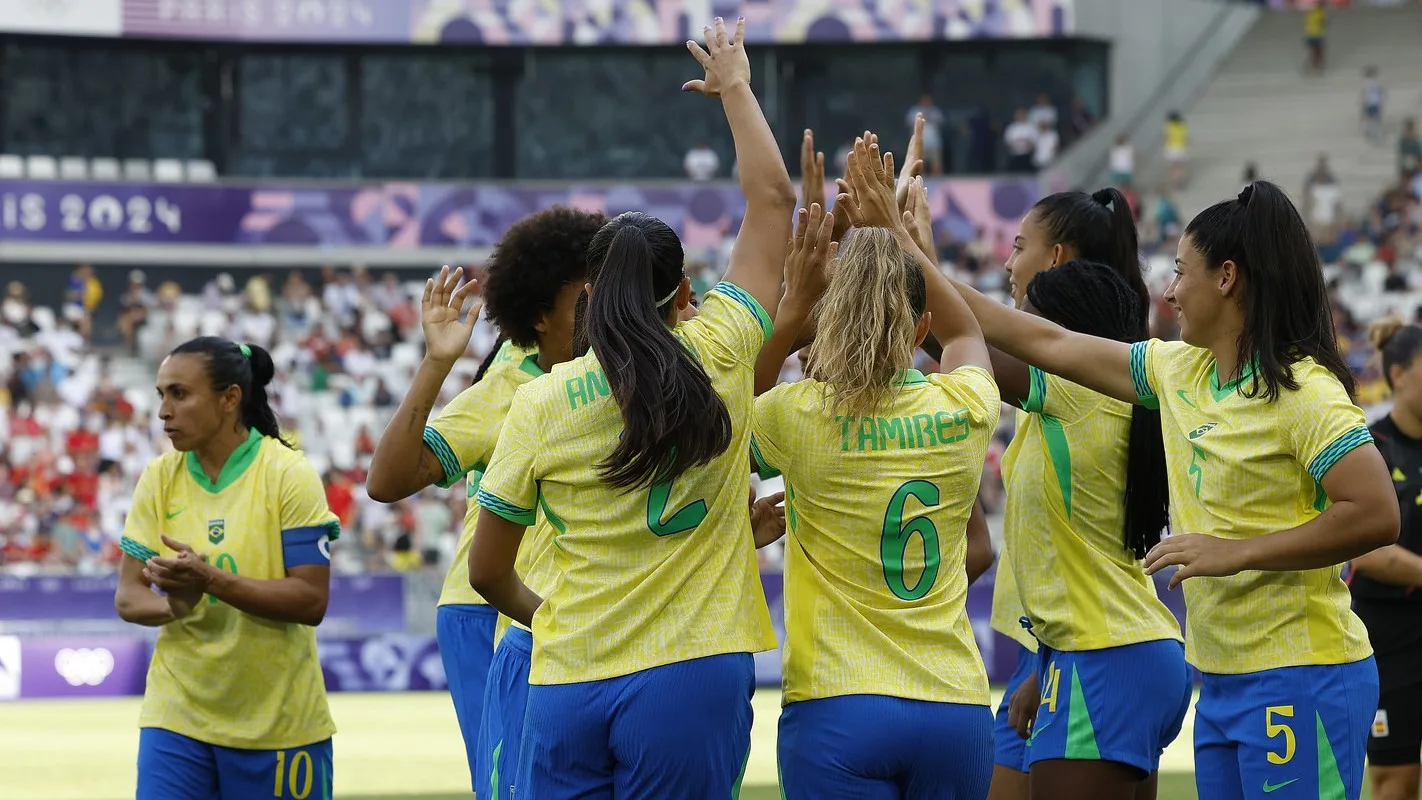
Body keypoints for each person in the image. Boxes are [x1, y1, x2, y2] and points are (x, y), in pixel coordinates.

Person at [944, 180, 1399, 800]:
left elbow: (1375, 513)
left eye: (1182, 272)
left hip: (1302, 673)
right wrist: (906, 257)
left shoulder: (1304, 390)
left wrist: (1236, 551)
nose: (1169, 291)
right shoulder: (1179, 370)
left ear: (1227, 278)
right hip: (1218, 679)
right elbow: (1047, 342)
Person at [466, 17, 795, 797]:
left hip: (572, 674)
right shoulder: (719, 347)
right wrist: (736, 88)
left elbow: (487, 572)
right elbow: (773, 200)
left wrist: (553, 617)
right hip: (693, 672)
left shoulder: (540, 399)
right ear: (684, 293)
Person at [752, 142, 999, 798]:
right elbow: (968, 330)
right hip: (953, 702)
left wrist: (787, 320)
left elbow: (720, 412)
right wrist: (893, 227)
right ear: (920, 333)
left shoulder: (797, 415)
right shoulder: (962, 405)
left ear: (820, 327)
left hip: (837, 704)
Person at [365, 206, 605, 793]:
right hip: (490, 608)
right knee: (510, 784)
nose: (604, 312)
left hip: (572, 606)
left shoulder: (622, 369)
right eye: (586, 301)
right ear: (541, 315)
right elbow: (388, 480)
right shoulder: (511, 384)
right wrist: (436, 362)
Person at [957, 189, 1183, 800]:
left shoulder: (1068, 385)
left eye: (1020, 247)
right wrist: (1040, 661)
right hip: (1075, 648)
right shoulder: (1065, 395)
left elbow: (952, 335)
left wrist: (898, 239)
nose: (1007, 264)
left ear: (1057, 260)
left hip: (1105, 653)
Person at [115, 338, 340, 800]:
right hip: (176, 716)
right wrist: (177, 606)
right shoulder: (159, 476)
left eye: (179, 394)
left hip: (279, 725)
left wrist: (210, 580)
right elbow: (128, 596)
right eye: (161, 395)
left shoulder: (287, 474)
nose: (163, 411)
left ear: (230, 398)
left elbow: (311, 600)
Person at [1351, 319, 1422, 800]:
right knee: (1396, 778)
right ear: (1398, 374)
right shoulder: (1371, 447)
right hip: (1390, 636)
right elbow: (1364, 548)